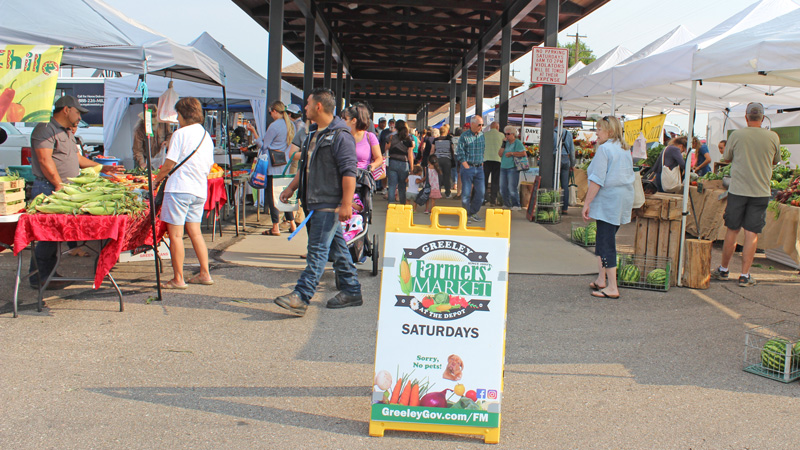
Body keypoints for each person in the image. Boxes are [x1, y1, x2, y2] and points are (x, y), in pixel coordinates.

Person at [275, 88, 362, 316]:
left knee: (317, 251)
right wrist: (292, 187)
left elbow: (349, 173)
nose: (304, 108)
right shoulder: (313, 132)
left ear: (319, 106)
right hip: (314, 201)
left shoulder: (341, 136)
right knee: (337, 248)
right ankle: (352, 290)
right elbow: (305, 166)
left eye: (307, 104)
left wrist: (346, 204)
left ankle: (301, 296)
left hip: (328, 203)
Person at [28, 95, 120, 289]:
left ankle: (48, 274)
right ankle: (39, 277)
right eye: (78, 112)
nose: (80, 118)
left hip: (63, 188)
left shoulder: (67, 132)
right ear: (66, 110)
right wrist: (58, 184)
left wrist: (101, 168)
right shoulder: (45, 129)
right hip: (49, 188)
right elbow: (45, 160)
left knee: (54, 236)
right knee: (47, 235)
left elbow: (76, 158)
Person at [711, 102, 780, 287]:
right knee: (752, 233)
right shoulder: (773, 136)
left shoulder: (737, 135)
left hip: (738, 190)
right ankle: (745, 275)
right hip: (761, 191)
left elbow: (726, 158)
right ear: (763, 118)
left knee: (732, 230)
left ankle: (724, 270)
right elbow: (776, 160)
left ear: (746, 117)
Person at [153, 97, 215, 289]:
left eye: (178, 114)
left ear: (182, 114)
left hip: (179, 188)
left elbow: (169, 163)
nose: (177, 118)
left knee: (176, 236)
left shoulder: (180, 134)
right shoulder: (206, 136)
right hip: (199, 189)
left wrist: (157, 180)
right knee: (196, 233)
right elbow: (209, 165)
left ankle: (178, 278)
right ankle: (205, 273)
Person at [582, 116, 635, 300]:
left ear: (610, 132)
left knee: (606, 243)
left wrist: (586, 203)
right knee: (604, 238)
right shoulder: (624, 148)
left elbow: (597, 179)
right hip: (622, 199)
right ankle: (601, 279)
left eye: (599, 129)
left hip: (608, 201)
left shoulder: (604, 149)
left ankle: (612, 286)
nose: (596, 132)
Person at [256, 101, 296, 236]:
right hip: (285, 164)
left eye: (270, 112)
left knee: (272, 196)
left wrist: (255, 136)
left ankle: (275, 226)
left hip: (273, 166)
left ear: (274, 111)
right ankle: (292, 223)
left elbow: (264, 145)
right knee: (285, 194)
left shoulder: (274, 126)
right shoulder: (291, 125)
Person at [456, 115, 486, 222]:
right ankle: (466, 214)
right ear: (472, 124)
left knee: (481, 193)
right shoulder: (464, 136)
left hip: (479, 168)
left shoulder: (482, 135)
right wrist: (466, 166)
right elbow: (459, 152)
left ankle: (472, 212)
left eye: (482, 125)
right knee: (466, 193)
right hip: (468, 167)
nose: (481, 127)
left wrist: (482, 163)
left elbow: (483, 151)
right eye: (479, 124)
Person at [343, 103, 383, 172]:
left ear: (353, 121)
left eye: (345, 119)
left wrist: (373, 165)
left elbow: (379, 158)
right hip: (345, 175)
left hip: (363, 176)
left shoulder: (370, 137)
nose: (342, 121)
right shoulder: (343, 136)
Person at [132, 105, 172, 169]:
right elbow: (137, 149)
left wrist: (167, 142)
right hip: (145, 158)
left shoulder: (164, 124)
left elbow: (170, 134)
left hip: (161, 158)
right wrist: (142, 163)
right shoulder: (139, 129)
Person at [385, 119, 415, 204]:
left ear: (396, 127)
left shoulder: (391, 137)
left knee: (392, 186)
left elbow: (386, 148)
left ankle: (390, 205)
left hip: (392, 162)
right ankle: (402, 205)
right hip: (404, 163)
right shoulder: (408, 139)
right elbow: (410, 155)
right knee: (402, 186)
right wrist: (412, 168)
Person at [499, 125, 526, 210]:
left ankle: (516, 204)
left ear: (513, 134)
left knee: (512, 187)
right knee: (502, 188)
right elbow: (500, 154)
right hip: (503, 167)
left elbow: (523, 153)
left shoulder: (517, 143)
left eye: (508, 134)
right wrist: (503, 144)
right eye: (505, 134)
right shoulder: (505, 143)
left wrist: (512, 153)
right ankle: (507, 203)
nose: (506, 136)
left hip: (512, 167)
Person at [553, 117, 575, 214]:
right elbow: (572, 150)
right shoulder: (568, 133)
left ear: (555, 122)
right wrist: (572, 164)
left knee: (553, 183)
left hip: (554, 158)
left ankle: (553, 206)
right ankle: (564, 208)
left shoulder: (552, 133)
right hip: (566, 159)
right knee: (565, 185)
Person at [434, 124, 455, 198]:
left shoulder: (436, 140)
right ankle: (447, 193)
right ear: (446, 132)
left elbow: (432, 150)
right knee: (447, 176)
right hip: (447, 160)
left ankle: (438, 192)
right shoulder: (449, 140)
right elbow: (452, 149)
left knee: (438, 176)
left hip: (437, 159)